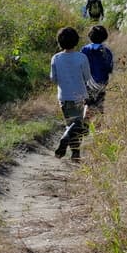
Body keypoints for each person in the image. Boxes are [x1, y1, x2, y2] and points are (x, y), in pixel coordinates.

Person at [49, 26, 95, 162]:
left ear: (59, 42)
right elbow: (87, 77)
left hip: (63, 97)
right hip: (80, 96)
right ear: (76, 41)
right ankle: (67, 141)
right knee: (78, 125)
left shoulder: (55, 58)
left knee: (71, 124)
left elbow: (53, 79)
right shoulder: (82, 58)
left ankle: (75, 154)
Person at [80, 25, 114, 113]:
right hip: (101, 82)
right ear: (104, 37)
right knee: (99, 103)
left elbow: (80, 65)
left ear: (90, 36)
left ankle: (85, 123)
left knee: (88, 103)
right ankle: (99, 123)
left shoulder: (85, 49)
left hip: (88, 82)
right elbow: (109, 68)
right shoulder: (107, 51)